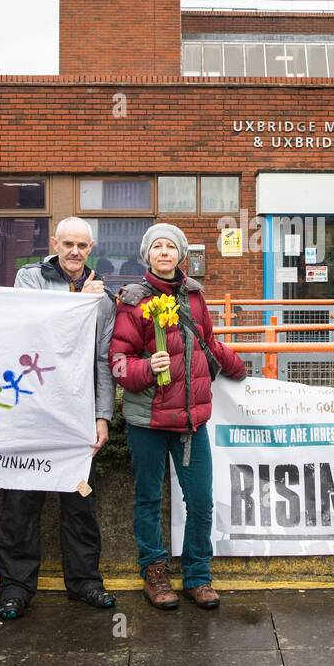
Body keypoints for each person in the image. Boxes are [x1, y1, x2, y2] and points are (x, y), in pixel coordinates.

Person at [110, 224, 247, 610]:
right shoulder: (132, 300)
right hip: (148, 421)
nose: (165, 252)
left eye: (172, 246)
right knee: (148, 499)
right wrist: (146, 369)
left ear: (181, 254)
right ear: (147, 254)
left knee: (201, 500)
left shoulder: (195, 296)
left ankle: (197, 576)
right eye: (158, 246)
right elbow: (118, 363)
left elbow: (209, 342)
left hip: (190, 421)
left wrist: (239, 370)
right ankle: (155, 575)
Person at [0, 217, 116, 618]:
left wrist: (102, 417)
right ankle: (15, 587)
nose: (75, 252)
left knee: (80, 503)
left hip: (77, 415)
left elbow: (101, 359)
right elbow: (32, 328)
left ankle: (85, 582)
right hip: (30, 410)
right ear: (54, 243)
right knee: (20, 504)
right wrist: (79, 298)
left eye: (82, 245)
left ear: (91, 247)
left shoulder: (104, 298)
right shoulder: (28, 278)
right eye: (68, 244)